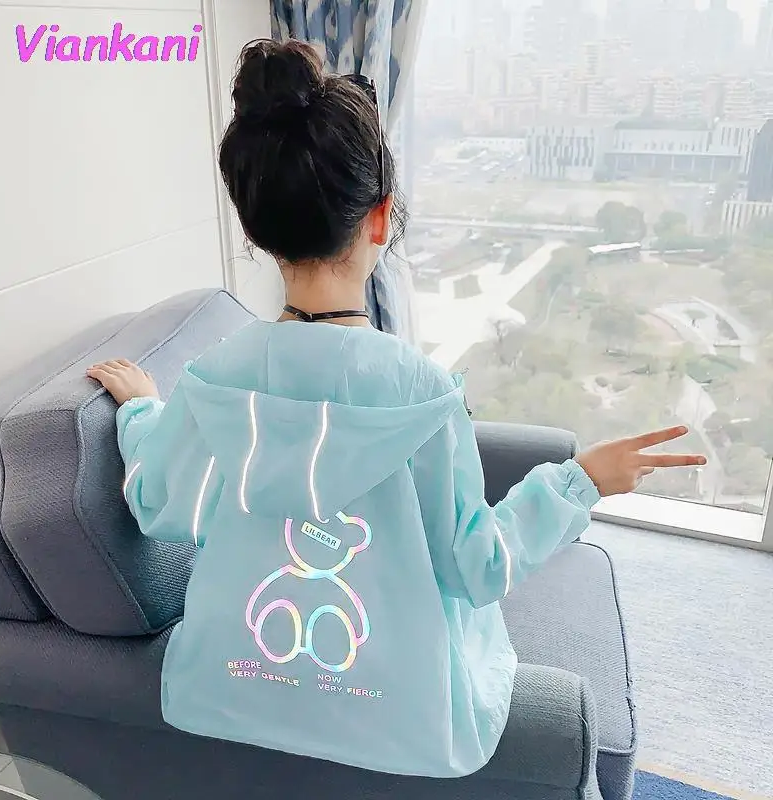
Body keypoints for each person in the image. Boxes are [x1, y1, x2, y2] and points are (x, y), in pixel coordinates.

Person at [87, 39, 706, 779]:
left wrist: (141, 414)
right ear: (381, 219)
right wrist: (581, 482)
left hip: (232, 692)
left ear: (253, 229)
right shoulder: (423, 395)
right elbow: (478, 568)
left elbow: (156, 503)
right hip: (405, 720)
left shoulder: (212, 380)